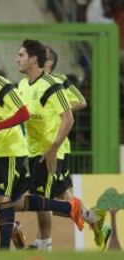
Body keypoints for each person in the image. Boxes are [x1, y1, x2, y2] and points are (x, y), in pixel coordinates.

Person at [0, 42, 85, 250]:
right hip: (5, 152)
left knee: (3, 199)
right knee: (13, 201)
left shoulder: (4, 85)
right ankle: (68, 208)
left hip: (17, 150)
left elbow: (23, 114)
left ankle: (8, 249)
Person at [28, 45, 110, 250]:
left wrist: (57, 107)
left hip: (55, 147)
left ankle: (43, 243)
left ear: (48, 62)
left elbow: (81, 102)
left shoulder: (59, 81)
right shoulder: (32, 84)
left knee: (43, 198)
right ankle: (93, 219)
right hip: (38, 147)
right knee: (61, 197)